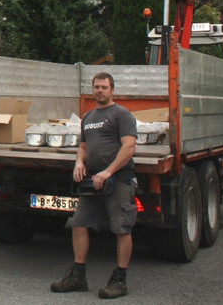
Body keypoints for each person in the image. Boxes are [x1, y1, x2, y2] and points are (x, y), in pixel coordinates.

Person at [51, 72, 137, 299]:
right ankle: (78, 277)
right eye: (97, 87)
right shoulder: (88, 117)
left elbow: (129, 147)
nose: (100, 90)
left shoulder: (122, 115)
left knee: (121, 228)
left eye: (104, 87)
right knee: (79, 224)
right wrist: (79, 163)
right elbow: (83, 147)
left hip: (117, 180)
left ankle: (120, 280)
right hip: (92, 181)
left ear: (112, 90)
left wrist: (108, 172)